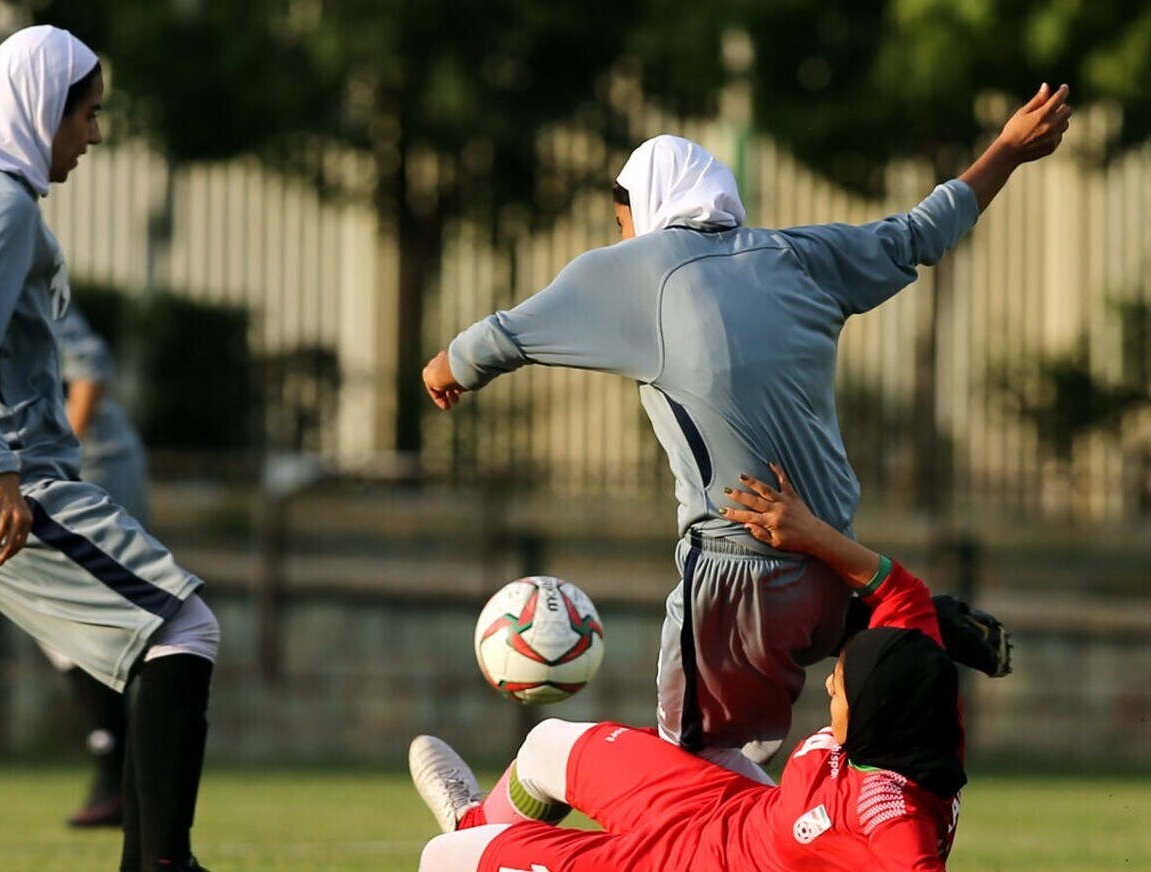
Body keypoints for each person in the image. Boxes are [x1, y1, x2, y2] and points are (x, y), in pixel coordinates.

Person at [422, 84, 1069, 773]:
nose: (621, 239)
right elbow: (920, 233)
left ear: (647, 208)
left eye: (622, 222)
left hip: (740, 578)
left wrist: (445, 369)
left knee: (689, 775)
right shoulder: (801, 256)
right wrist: (1006, 149)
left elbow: (503, 335)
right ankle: (899, 622)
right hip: (830, 564)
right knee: (717, 766)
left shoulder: (635, 270)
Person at [410, 463, 967, 871]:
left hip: (695, 864)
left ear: (878, 716)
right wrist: (810, 534)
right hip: (729, 807)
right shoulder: (920, 688)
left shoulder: (889, 808)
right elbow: (902, 589)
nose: (827, 683)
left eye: (839, 687)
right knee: (546, 745)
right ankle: (476, 823)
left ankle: (472, 837)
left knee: (443, 862)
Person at [0, 26, 217, 872]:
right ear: (40, 111)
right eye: (89, 115)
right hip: (1, 482)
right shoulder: (0, 205)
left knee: (145, 638)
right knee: (183, 627)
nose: (94, 136)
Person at [38, 301, 150, 828]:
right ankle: (121, 770)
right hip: (40, 477)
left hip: (92, 471)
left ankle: (122, 772)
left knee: (87, 616)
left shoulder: (13, 273)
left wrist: (63, 464)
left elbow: (88, 370)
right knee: (54, 619)